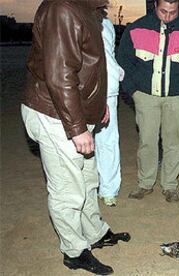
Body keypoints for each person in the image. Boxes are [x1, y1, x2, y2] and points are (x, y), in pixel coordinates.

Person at [21, 1, 130, 274]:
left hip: (75, 111)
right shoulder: (64, 8)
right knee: (67, 189)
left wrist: (98, 105)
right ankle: (74, 251)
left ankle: (94, 233)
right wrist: (77, 128)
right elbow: (60, 74)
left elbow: (90, 66)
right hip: (56, 114)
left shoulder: (87, 8)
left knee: (87, 177)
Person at [118, 0, 179, 202]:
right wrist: (133, 91)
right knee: (147, 141)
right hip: (145, 96)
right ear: (155, 5)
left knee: (174, 143)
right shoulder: (136, 29)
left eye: (173, 12)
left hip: (178, 97)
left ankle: (170, 185)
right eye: (163, 11)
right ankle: (145, 183)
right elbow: (124, 62)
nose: (168, 16)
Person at [95, 7, 124, 207]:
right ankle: (86, 188)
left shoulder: (106, 22)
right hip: (79, 89)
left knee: (108, 140)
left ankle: (108, 189)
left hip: (109, 89)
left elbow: (108, 53)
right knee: (78, 141)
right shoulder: (70, 16)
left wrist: (115, 70)